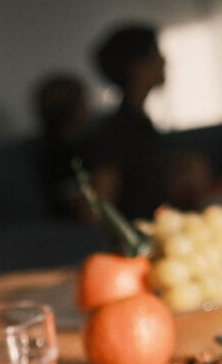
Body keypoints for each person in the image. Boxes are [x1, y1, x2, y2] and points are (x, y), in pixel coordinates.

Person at [87, 23, 212, 219]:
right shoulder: (119, 128)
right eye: (156, 54)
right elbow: (99, 202)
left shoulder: (138, 121)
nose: (164, 61)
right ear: (136, 66)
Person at [32, 73, 92, 218]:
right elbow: (78, 204)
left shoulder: (81, 143)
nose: (89, 108)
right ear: (73, 110)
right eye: (83, 103)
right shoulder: (56, 154)